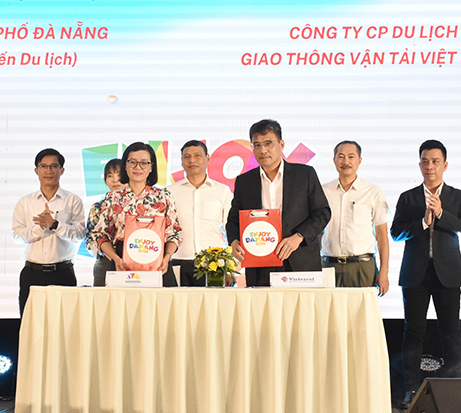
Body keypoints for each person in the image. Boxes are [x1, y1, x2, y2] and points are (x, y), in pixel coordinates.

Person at [390, 140, 461, 409]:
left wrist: (440, 214)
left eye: (435, 161)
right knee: (413, 333)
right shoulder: (408, 197)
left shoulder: (458, 196)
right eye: (425, 161)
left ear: (445, 165)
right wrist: (423, 222)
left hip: (447, 274)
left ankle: (455, 388)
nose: (430, 166)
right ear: (419, 165)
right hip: (416, 274)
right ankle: (410, 389)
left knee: (450, 332)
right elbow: (396, 233)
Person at [227, 119, 331, 287]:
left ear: (281, 144)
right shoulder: (244, 181)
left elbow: (322, 212)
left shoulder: (304, 174)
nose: (263, 150)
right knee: (263, 312)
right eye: (257, 145)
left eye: (268, 143)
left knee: (302, 312)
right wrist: (233, 241)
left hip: (300, 263)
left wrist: (298, 237)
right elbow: (233, 220)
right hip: (260, 263)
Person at [89, 142, 181, 286]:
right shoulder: (113, 198)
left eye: (144, 163)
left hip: (158, 263)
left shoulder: (164, 196)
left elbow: (174, 233)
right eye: (132, 162)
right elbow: (100, 235)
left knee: (163, 307)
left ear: (151, 167)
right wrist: (115, 258)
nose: (138, 167)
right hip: (122, 265)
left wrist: (167, 257)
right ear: (125, 166)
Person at [12, 148, 86, 316]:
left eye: (54, 166)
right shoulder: (25, 202)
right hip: (32, 274)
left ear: (62, 170)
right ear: (36, 171)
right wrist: (40, 227)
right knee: (30, 324)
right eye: (43, 166)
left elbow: (80, 233)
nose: (49, 171)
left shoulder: (72, 200)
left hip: (62, 273)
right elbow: (16, 235)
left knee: (64, 325)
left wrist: (55, 225)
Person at [321, 140, 390, 293]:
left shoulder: (373, 191)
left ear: (359, 161)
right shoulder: (323, 191)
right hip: (329, 266)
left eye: (351, 157)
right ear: (334, 160)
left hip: (362, 266)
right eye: (341, 156)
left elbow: (382, 235)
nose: (346, 161)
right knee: (329, 315)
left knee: (361, 315)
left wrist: (384, 272)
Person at [167, 140, 233, 286]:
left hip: (214, 263)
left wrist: (229, 267)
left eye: (197, 156)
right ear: (182, 161)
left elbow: (231, 229)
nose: (192, 160)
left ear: (208, 158)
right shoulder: (170, 192)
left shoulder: (222, 191)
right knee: (179, 307)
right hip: (178, 260)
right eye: (187, 157)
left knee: (212, 308)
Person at [84, 158, 125, 286]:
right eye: (110, 175)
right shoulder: (97, 207)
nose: (114, 179)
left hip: (134, 261)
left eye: (119, 174)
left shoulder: (136, 205)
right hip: (105, 262)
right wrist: (104, 251)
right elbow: (89, 239)